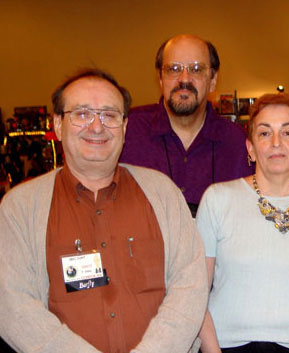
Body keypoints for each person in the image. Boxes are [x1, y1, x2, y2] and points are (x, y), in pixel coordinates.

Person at [0, 68, 208, 353]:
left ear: (124, 127)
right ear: (58, 124)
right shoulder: (20, 208)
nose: (97, 127)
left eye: (109, 115)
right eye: (82, 113)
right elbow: (13, 306)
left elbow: (190, 286)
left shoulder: (163, 193)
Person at [196, 93, 289, 353]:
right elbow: (194, 295)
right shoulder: (217, 200)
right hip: (225, 346)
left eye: (288, 133)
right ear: (251, 148)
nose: (276, 143)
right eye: (265, 133)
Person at [120, 34, 252, 217]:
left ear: (213, 80)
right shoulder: (125, 132)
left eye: (196, 69)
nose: (184, 79)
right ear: (160, 78)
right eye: (173, 69)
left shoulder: (238, 144)